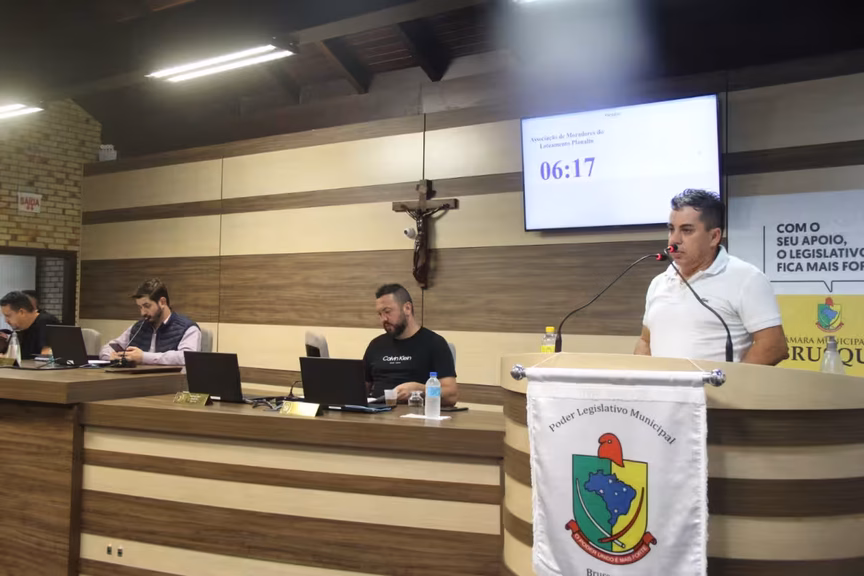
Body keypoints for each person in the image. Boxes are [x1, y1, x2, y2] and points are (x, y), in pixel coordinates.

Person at [635, 189, 789, 365]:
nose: (674, 240)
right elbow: (645, 341)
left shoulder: (746, 278)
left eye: (687, 230)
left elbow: (773, 346)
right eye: (671, 229)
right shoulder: (659, 282)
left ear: (714, 236)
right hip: (661, 384)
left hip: (718, 384)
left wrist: (733, 380)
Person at [363, 284, 458, 405]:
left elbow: (451, 396)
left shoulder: (434, 343)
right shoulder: (376, 345)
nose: (383, 319)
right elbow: (360, 389)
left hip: (414, 412)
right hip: (376, 411)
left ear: (407, 308)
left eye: (387, 312)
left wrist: (421, 390)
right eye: (380, 314)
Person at [100, 278, 201, 365]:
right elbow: (108, 348)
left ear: (162, 302)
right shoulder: (138, 327)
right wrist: (111, 356)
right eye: (140, 307)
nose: (143, 312)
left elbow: (186, 357)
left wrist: (143, 357)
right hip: (137, 379)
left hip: (169, 380)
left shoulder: (188, 328)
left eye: (147, 306)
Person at [0, 291, 60, 359]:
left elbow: (46, 357)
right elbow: (15, 356)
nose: (6, 321)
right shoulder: (21, 328)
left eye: (8, 316)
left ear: (21, 312)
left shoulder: (46, 322)